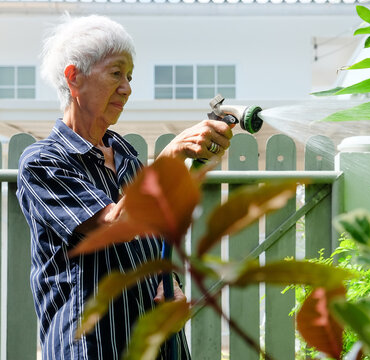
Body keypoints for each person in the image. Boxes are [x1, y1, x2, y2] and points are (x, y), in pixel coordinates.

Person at [16, 14, 233, 360]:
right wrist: (171, 156)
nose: (127, 87)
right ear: (74, 78)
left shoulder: (126, 157)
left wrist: (169, 283)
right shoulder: (44, 163)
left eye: (130, 76)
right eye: (116, 73)